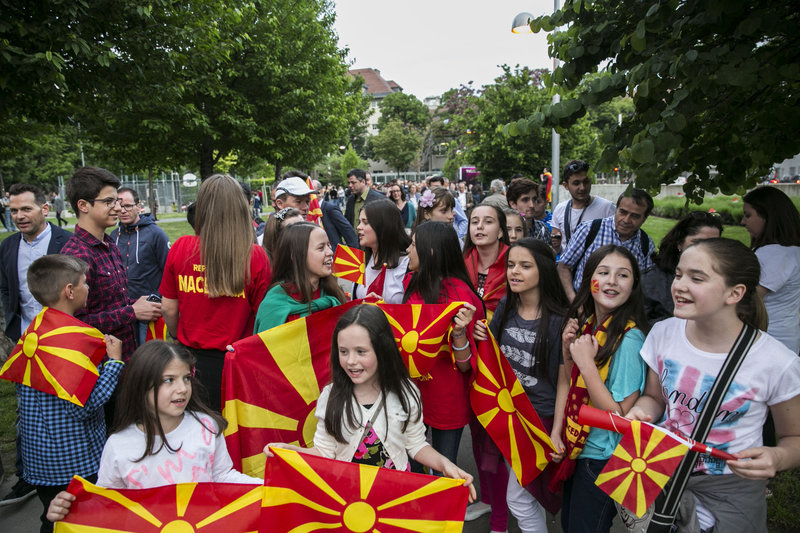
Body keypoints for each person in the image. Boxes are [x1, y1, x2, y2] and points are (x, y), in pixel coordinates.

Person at [628, 239, 800, 532]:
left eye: (697, 278)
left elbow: (793, 437)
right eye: (679, 274)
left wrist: (778, 456)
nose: (679, 285)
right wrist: (640, 412)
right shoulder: (663, 333)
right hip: (660, 469)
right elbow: (654, 398)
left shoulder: (776, 361)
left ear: (734, 293)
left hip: (731, 490)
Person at [264, 304, 476, 500]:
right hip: (345, 501)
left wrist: (445, 464)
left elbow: (415, 444)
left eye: (361, 351)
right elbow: (324, 452)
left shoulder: (406, 392)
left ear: (382, 349)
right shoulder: (330, 396)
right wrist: (288, 451)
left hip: (396, 499)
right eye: (343, 351)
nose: (351, 361)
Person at [46, 341, 259, 524]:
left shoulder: (206, 426)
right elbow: (107, 503)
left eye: (186, 378)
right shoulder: (119, 445)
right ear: (141, 386)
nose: (183, 388)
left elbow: (222, 476)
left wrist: (272, 484)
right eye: (169, 380)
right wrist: (69, 508)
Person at [16, 254, 123, 533]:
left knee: (51, 516)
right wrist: (114, 362)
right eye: (85, 283)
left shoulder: (35, 329)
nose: (88, 288)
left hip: (39, 459)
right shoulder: (76, 341)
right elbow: (83, 407)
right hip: (75, 462)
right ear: (69, 291)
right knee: (75, 522)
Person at [550, 245, 649, 533]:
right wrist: (571, 354)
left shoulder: (630, 339)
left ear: (634, 286)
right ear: (588, 279)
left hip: (604, 460)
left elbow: (620, 417)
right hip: (580, 451)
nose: (611, 281)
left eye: (623, 275)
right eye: (603, 273)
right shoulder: (591, 326)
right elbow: (574, 385)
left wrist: (586, 363)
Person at [473, 238, 569, 532]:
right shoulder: (506, 305)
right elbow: (494, 359)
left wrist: (555, 433)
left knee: (520, 498)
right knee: (526, 495)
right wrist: (479, 336)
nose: (514, 272)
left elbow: (565, 381)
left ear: (543, 270)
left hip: (539, 421)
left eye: (525, 266)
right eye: (511, 265)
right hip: (508, 418)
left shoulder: (560, 321)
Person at [159, 174, 271, 412]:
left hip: (190, 363)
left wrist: (177, 334)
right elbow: (264, 316)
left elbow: (168, 308)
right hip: (237, 363)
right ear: (240, 207)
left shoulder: (181, 248)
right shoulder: (255, 256)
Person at [0, 185, 72, 505]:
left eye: (25, 209)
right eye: (13, 211)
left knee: (66, 410)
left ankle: (72, 474)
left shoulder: (67, 242)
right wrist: (15, 328)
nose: (18, 216)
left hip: (63, 343)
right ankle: (26, 474)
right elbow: (6, 288)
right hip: (25, 345)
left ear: (44, 208)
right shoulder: (7, 246)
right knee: (26, 413)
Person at [403, 222, 483, 467]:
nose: (407, 250)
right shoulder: (410, 283)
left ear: (430, 251)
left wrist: (459, 333)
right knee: (411, 468)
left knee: (444, 472)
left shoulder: (462, 298)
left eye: (413, 245)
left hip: (448, 400)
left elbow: (466, 365)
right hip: (411, 396)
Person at [61, 167, 161, 360]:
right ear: (83, 205)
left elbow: (110, 304)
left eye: (116, 201)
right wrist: (131, 312)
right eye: (108, 201)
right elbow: (74, 323)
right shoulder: (76, 255)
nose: (117, 208)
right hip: (101, 370)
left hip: (126, 359)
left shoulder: (110, 244)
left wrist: (136, 304)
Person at [558, 188, 655, 302]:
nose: (626, 220)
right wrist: (574, 303)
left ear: (644, 218)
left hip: (623, 313)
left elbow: (646, 286)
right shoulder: (589, 230)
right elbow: (564, 267)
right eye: (622, 212)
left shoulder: (646, 245)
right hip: (584, 306)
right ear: (616, 209)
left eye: (635, 216)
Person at [254, 222, 345, 332]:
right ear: (296, 255)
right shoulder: (274, 303)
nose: (330, 252)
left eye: (329, 245)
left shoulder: (333, 293)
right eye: (321, 248)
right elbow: (264, 347)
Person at [742, 186, 800, 353]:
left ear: (768, 217)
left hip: (768, 341)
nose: (743, 222)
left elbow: (749, 299)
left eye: (748, 215)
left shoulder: (775, 254)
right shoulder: (790, 249)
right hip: (782, 337)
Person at [110, 187, 171, 346]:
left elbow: (168, 271)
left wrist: (159, 300)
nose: (123, 211)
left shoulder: (155, 234)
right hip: (123, 310)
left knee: (149, 357)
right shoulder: (113, 236)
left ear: (138, 206)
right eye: (119, 206)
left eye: (128, 206)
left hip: (150, 310)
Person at [642, 211, 722, 324]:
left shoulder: (724, 279)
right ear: (680, 243)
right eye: (697, 243)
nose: (706, 250)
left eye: (713, 244)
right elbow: (640, 324)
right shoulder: (650, 280)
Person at [353, 198, 411, 303]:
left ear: (383, 226)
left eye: (365, 223)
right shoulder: (361, 261)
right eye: (359, 222)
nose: (358, 227)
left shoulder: (408, 265)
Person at [551, 160, 616, 246]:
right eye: (576, 183)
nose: (582, 188)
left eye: (586, 182)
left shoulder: (607, 208)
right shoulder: (560, 209)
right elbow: (556, 248)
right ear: (566, 186)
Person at [463, 204, 511, 320]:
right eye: (474, 222)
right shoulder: (460, 265)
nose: (479, 226)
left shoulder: (513, 265)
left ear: (500, 231)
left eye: (488, 222)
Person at [311, 178, 358, 252]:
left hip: (334, 255)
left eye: (311, 190)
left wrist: (354, 253)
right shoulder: (306, 212)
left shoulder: (330, 209)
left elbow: (347, 231)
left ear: (320, 192)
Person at [506, 177, 551, 244]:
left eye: (534, 199)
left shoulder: (543, 228)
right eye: (525, 200)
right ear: (513, 204)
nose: (532, 205)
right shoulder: (503, 228)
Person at [428, 175, 468, 240]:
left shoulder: (452, 200)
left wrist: (457, 237)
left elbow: (464, 220)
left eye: (437, 187)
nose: (435, 189)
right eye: (432, 187)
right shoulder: (427, 202)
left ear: (443, 186)